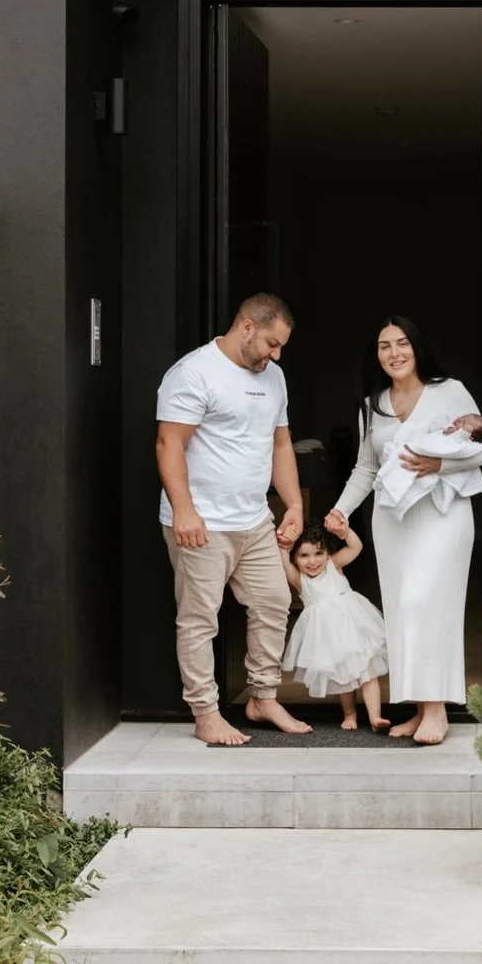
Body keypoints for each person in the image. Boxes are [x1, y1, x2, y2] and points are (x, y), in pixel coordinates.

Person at [155, 291, 313, 747]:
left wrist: (294, 505)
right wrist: (184, 510)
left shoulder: (274, 377)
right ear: (246, 327)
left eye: (281, 346)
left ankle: (262, 697)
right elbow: (170, 445)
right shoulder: (194, 372)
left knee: (274, 603)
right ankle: (205, 712)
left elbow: (280, 444)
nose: (276, 353)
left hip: (254, 520)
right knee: (200, 619)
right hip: (201, 523)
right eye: (270, 343)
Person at [331, 317, 482, 746]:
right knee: (404, 613)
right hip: (393, 521)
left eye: (402, 344)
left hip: (443, 516)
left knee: (424, 602)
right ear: (378, 354)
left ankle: (437, 710)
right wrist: (340, 511)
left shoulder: (449, 390)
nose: (394, 353)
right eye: (385, 346)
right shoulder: (374, 403)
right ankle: (420, 708)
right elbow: (366, 467)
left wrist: (442, 464)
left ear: (416, 348)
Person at [282, 517, 390, 731]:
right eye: (304, 556)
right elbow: (282, 560)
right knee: (343, 678)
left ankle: (375, 717)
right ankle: (350, 715)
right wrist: (284, 544)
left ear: (327, 554)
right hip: (327, 636)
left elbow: (356, 547)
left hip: (354, 627)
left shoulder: (334, 565)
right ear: (295, 558)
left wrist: (345, 532)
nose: (312, 561)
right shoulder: (299, 580)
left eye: (318, 553)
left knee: (367, 671)